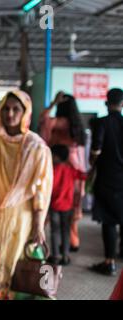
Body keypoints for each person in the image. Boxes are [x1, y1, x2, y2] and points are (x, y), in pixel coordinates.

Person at [0, 90, 53, 298]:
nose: (10, 114)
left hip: (22, 217)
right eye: (6, 109)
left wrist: (38, 226)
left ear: (25, 112)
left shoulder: (36, 147)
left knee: (15, 267)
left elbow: (42, 191)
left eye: (16, 109)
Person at [39, 92, 87, 252]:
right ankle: (73, 242)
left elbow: (44, 121)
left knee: (53, 203)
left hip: (60, 165)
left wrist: (52, 103)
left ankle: (44, 241)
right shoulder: (78, 126)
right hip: (75, 166)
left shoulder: (61, 122)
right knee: (72, 205)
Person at [89, 88, 123, 276]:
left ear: (106, 102)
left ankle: (109, 262)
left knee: (109, 221)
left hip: (107, 179)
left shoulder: (102, 123)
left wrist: (91, 164)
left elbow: (96, 150)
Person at [48, 144, 87, 266]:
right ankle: (65, 256)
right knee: (66, 231)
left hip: (54, 205)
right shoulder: (70, 170)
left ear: (56, 157)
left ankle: (54, 256)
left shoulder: (52, 170)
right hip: (67, 206)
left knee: (54, 231)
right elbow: (83, 175)